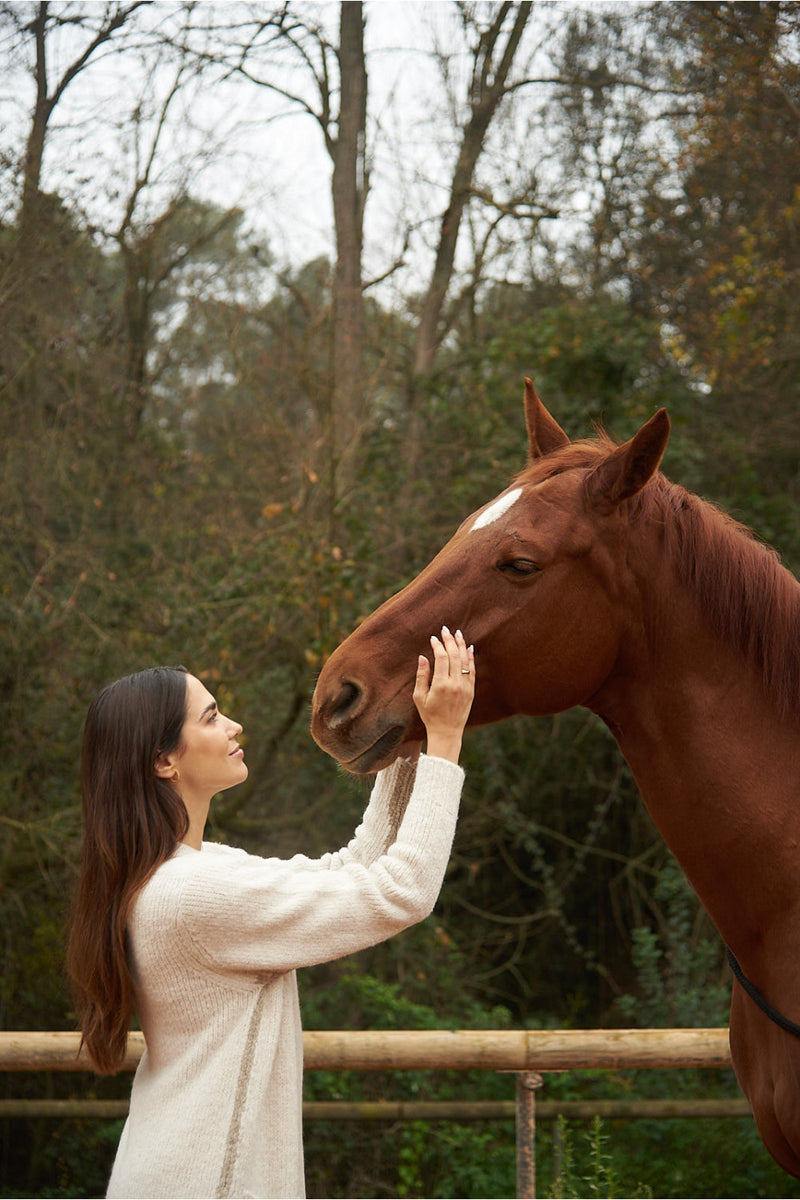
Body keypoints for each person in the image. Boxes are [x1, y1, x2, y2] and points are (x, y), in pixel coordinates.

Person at [66, 626, 475, 1200]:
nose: (234, 726)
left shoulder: (191, 870)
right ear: (163, 760)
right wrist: (448, 740)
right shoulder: (193, 894)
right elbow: (402, 891)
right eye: (210, 717)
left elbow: (353, 866)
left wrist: (402, 737)